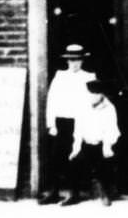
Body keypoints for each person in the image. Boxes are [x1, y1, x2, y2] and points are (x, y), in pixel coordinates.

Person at [40, 44, 94, 205]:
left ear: (82, 61)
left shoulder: (89, 77)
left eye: (77, 60)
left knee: (75, 157)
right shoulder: (60, 76)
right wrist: (51, 124)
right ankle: (54, 191)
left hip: (79, 122)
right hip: (61, 121)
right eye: (71, 60)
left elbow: (90, 102)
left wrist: (86, 124)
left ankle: (74, 193)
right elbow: (52, 100)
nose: (74, 63)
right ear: (67, 61)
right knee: (56, 156)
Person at [69, 77, 122, 206]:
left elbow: (111, 130)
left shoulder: (109, 108)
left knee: (104, 164)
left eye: (96, 94)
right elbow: (78, 130)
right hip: (87, 144)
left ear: (102, 94)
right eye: (91, 94)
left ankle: (105, 192)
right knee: (75, 161)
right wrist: (76, 149)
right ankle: (74, 194)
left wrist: (107, 146)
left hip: (102, 144)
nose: (93, 96)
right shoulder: (82, 108)